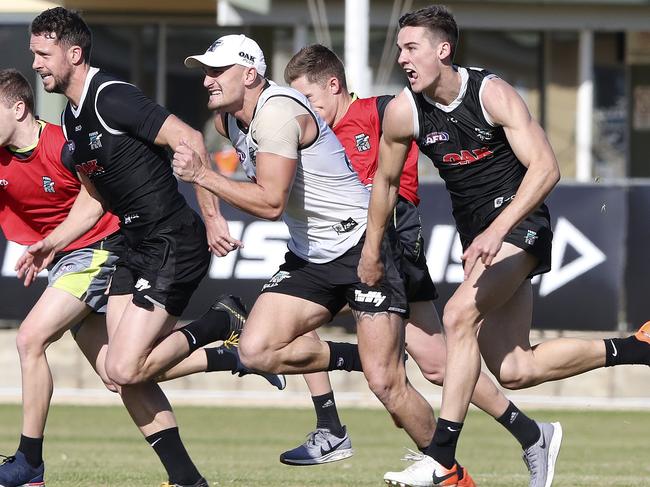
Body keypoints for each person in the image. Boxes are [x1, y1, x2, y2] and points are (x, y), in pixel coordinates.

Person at [357, 5, 650, 487]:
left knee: (457, 317)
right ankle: (635, 349)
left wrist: (497, 230)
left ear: (442, 50)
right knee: (515, 369)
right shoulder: (404, 112)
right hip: (482, 236)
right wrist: (371, 250)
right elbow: (384, 183)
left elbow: (546, 168)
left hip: (521, 222)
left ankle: (442, 457)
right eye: (400, 50)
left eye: (412, 48)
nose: (402, 59)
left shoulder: (490, 92)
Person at [173, 34, 476, 485]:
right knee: (255, 351)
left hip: (362, 247)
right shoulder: (228, 121)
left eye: (218, 71)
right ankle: (357, 360)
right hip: (310, 255)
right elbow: (192, 145)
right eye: (206, 71)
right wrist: (213, 215)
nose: (208, 80)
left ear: (251, 74)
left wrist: (204, 178)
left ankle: (451, 475)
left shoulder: (277, 112)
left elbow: (271, 202)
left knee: (388, 386)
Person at [20, 8, 281, 487]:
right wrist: (51, 244)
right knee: (121, 375)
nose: (35, 63)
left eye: (43, 53)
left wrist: (212, 216)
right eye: (33, 53)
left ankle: (221, 321)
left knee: (125, 364)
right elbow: (95, 197)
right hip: (133, 244)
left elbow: (186, 138)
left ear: (74, 54)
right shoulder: (71, 114)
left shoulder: (111, 96)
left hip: (170, 240)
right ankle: (186, 479)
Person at [282, 42, 560, 486]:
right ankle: (531, 434)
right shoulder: (317, 135)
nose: (307, 111)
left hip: (391, 237)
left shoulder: (381, 109)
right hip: (351, 242)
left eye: (310, 100)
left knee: (307, 328)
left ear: (334, 86)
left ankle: (341, 428)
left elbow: (399, 166)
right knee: (435, 363)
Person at [0, 67, 122, 487]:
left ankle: (29, 462)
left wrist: (50, 243)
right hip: (65, 262)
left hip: (99, 250)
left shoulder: (60, 144)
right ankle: (225, 342)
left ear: (19, 109)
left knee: (29, 338)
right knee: (120, 374)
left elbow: (99, 202)